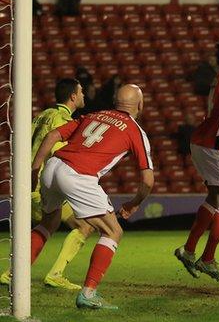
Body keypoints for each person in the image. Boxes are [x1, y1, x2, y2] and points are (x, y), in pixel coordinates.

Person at [28, 84, 153, 309]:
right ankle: (88, 293)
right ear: (140, 105)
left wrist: (35, 169)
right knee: (113, 231)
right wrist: (134, 203)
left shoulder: (93, 115)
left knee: (49, 222)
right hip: (78, 175)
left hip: (53, 167)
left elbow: (54, 134)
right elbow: (147, 181)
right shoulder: (135, 130)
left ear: (116, 102)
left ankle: (17, 274)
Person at [0, 79, 95, 290]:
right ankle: (53, 274)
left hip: (24, 181)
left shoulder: (42, 115)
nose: (83, 95)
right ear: (72, 96)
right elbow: (58, 152)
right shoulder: (61, 119)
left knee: (51, 223)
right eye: (81, 92)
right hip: (41, 185)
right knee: (84, 225)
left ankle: (13, 274)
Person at [174, 37, 219, 282]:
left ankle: (188, 249)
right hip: (213, 146)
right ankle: (207, 259)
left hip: (203, 141)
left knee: (215, 198)